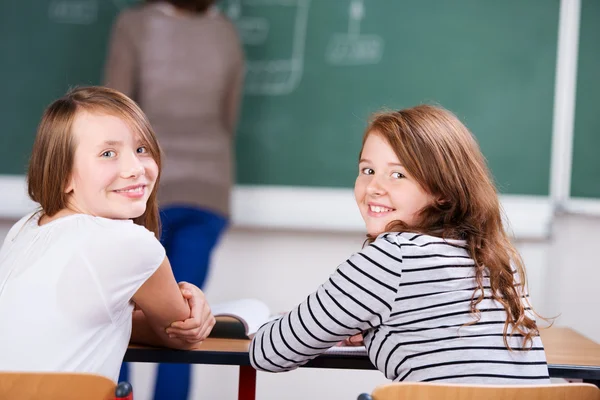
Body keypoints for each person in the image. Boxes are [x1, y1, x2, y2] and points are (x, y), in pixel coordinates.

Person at [249, 105, 550, 384]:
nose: (374, 188)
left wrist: (361, 325)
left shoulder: (392, 258)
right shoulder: (496, 260)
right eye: (367, 171)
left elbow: (270, 352)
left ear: (442, 192)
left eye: (398, 175)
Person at [0, 86, 215, 383]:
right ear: (64, 176)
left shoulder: (27, 226)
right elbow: (180, 332)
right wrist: (193, 301)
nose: (134, 168)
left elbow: (83, 319)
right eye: (108, 153)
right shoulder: (128, 242)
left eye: (141, 149)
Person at [104, 1, 244, 397]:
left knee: (120, 312)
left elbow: (112, 114)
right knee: (182, 320)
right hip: (209, 187)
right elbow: (228, 115)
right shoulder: (226, 33)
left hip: (139, 188)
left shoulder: (134, 24)